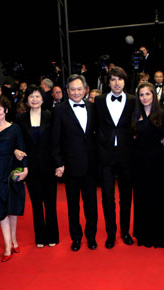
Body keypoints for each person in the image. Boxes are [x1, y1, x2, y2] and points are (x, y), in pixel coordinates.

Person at [51, 74, 98, 251]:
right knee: (73, 206)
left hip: (91, 165)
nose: (77, 92)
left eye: (80, 89)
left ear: (85, 90)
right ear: (67, 91)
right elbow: (55, 140)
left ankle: (91, 237)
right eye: (73, 89)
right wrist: (58, 162)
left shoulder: (93, 108)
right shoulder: (59, 110)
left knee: (91, 205)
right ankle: (76, 238)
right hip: (70, 166)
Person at [94, 66, 136, 249]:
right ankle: (111, 233)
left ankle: (125, 232)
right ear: (108, 82)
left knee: (126, 196)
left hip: (128, 155)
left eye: (120, 79)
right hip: (105, 155)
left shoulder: (134, 100)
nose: (117, 83)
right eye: (113, 79)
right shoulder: (99, 100)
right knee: (107, 197)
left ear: (125, 81)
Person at [0, 96, 28, 262]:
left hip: (11, 172)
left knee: (12, 210)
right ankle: (8, 246)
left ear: (6, 111)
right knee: (1, 210)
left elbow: (22, 148)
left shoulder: (15, 129)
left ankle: (14, 239)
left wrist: (25, 168)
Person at [16, 85, 59, 248]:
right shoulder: (20, 119)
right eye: (31, 96)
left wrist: (58, 164)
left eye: (37, 96)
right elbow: (18, 141)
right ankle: (40, 237)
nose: (34, 99)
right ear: (27, 100)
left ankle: (53, 235)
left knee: (50, 202)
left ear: (43, 98)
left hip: (48, 165)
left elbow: (55, 141)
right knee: (36, 203)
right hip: (31, 167)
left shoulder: (50, 115)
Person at [132, 82, 164, 248]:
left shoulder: (163, 114)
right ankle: (144, 235)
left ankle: (160, 235)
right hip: (140, 162)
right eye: (141, 95)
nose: (144, 98)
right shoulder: (135, 115)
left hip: (158, 162)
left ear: (153, 96)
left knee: (159, 197)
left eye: (147, 94)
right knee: (142, 198)